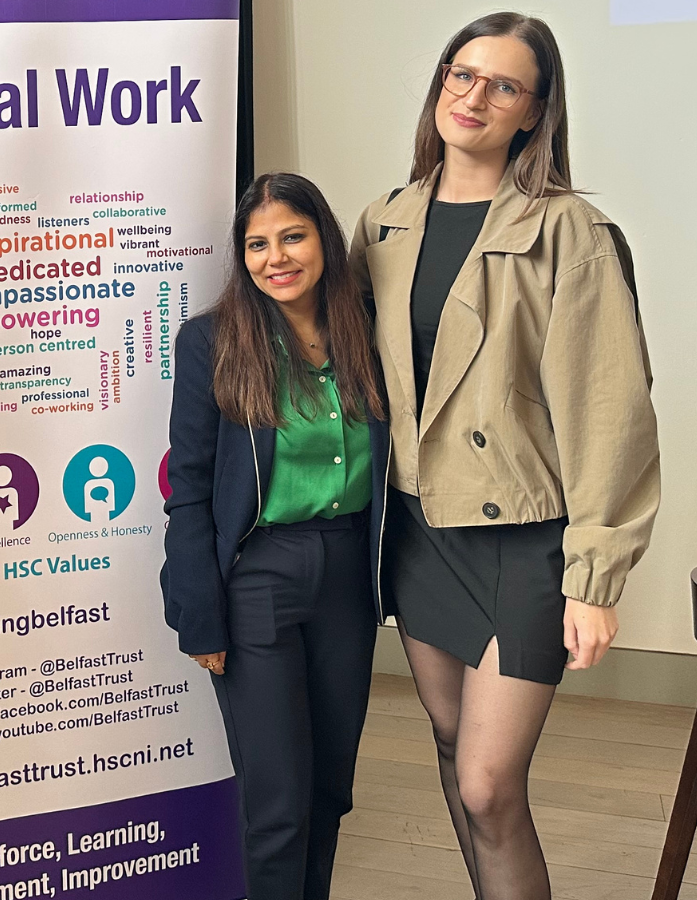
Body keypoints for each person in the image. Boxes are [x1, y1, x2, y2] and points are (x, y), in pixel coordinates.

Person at [349, 13, 658, 899]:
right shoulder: (384, 222)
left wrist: (595, 577)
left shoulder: (570, 230)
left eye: (504, 85)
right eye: (462, 74)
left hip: (524, 539)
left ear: (534, 111)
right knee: (454, 752)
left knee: (489, 784)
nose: (474, 96)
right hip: (420, 528)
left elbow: (610, 410)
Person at [163, 172, 391, 900]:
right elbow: (188, 487)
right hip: (259, 577)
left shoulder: (369, 329)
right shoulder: (212, 341)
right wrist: (199, 612)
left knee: (329, 791)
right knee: (278, 805)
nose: (276, 258)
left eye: (292, 236)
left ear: (324, 238)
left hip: (348, 573)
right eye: (257, 244)